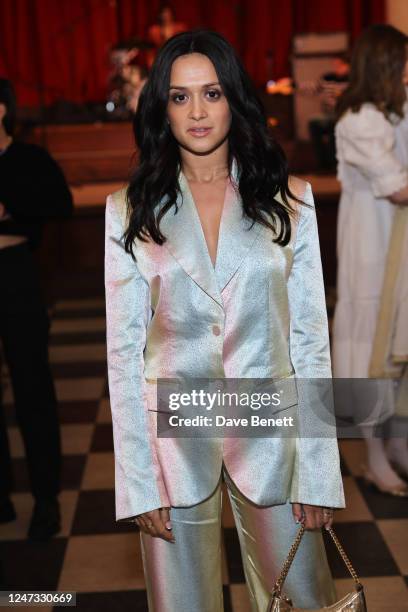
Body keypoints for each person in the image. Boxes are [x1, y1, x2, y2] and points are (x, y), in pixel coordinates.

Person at [105, 30, 345, 611]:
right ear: (162, 107)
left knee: (302, 603)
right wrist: (139, 480)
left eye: (211, 93)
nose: (198, 111)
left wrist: (317, 472)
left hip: (275, 440)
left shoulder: (293, 203)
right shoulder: (130, 210)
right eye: (180, 97)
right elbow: (123, 352)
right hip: (173, 444)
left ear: (233, 99)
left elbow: (312, 344)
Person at [333, 24, 408, 496]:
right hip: (372, 245)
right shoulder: (360, 119)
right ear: (385, 64)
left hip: (397, 247)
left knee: (397, 354)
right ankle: (373, 457)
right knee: (369, 350)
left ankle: (397, 445)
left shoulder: (393, 113)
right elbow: (398, 187)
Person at [0, 78, 73, 539]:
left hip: (13, 273)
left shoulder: (29, 158)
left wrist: (9, 207)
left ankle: (46, 498)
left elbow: (59, 205)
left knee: (32, 386)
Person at [308, 54, 350, 173]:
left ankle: (334, 164)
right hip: (329, 115)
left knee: (335, 127)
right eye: (335, 65)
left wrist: (342, 96)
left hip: (346, 116)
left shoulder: (354, 79)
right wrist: (292, 84)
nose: (336, 68)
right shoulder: (328, 77)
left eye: (340, 65)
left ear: (348, 65)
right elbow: (312, 89)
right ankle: (323, 164)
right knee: (314, 124)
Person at [146, 4, 187, 69]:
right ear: (159, 15)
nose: (165, 15)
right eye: (163, 13)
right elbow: (150, 51)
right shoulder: (154, 30)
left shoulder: (180, 28)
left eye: (167, 12)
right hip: (161, 61)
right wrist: (152, 66)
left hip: (178, 59)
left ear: (171, 13)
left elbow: (185, 46)